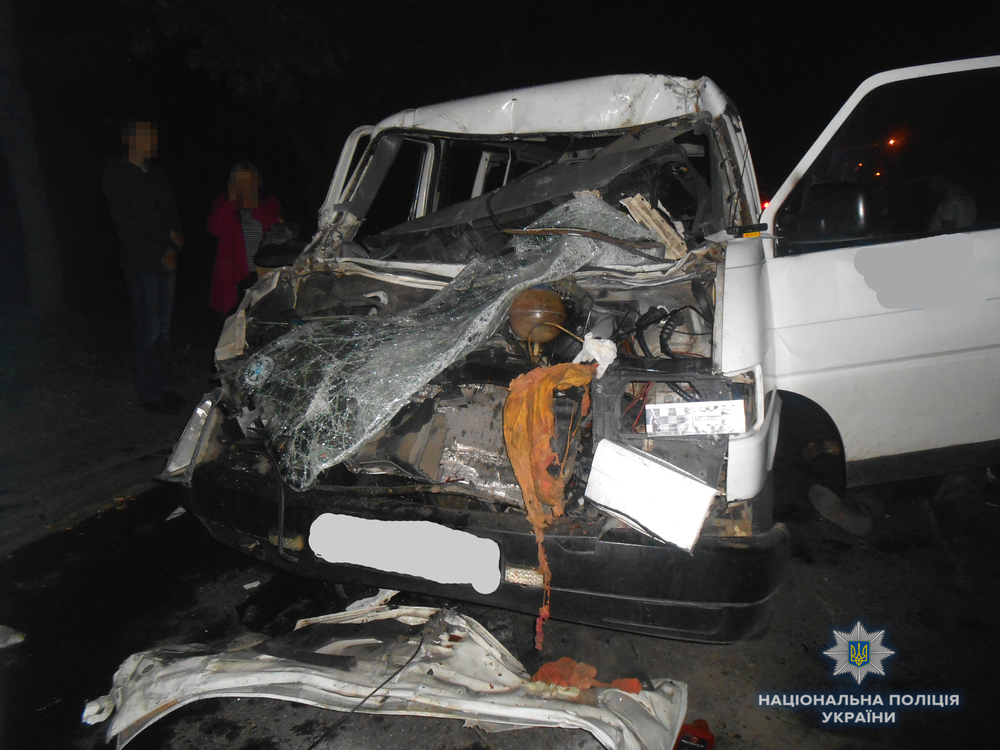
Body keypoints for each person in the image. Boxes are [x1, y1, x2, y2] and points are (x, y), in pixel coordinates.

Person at [101, 120, 185, 414]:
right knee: (148, 329)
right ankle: (148, 393)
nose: (152, 142)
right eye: (146, 137)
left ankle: (162, 385)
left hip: (166, 258)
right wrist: (165, 237)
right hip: (140, 261)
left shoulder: (158, 174)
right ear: (132, 140)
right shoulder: (116, 174)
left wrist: (173, 246)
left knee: (163, 330)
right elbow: (129, 221)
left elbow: (172, 212)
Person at [207, 162, 283, 315]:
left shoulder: (267, 202)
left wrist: (255, 206)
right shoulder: (224, 203)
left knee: (263, 316)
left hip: (263, 272)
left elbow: (279, 226)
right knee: (235, 319)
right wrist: (232, 202)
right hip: (233, 276)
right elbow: (214, 227)